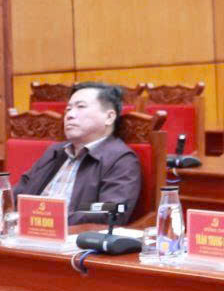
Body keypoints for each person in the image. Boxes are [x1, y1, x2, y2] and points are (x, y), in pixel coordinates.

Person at [13, 83, 141, 224]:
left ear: (109, 117)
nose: (69, 115)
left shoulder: (121, 159)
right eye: (68, 109)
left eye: (80, 107)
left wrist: (53, 218)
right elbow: (18, 193)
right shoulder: (55, 152)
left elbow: (111, 210)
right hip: (26, 229)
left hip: (72, 235)